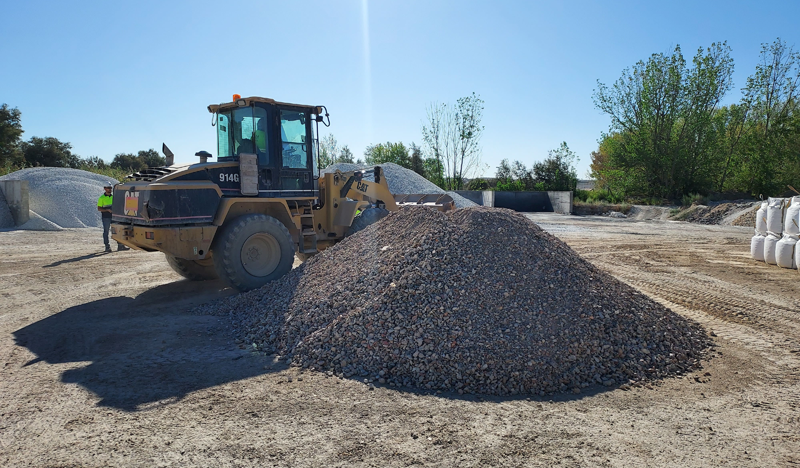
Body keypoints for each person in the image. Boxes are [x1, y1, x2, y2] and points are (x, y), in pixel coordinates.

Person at [97, 183, 128, 252]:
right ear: (105, 189)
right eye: (108, 188)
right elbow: (99, 209)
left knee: (117, 231)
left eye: (110, 188)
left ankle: (120, 246)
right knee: (106, 232)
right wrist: (107, 210)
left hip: (114, 217)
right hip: (106, 217)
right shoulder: (101, 198)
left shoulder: (114, 197)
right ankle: (107, 247)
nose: (110, 189)